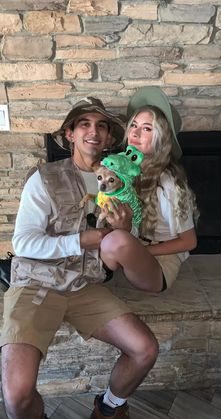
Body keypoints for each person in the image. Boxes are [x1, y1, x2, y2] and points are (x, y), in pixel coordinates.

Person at [0, 97, 164, 419]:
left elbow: (122, 244)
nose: (94, 131)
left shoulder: (121, 181)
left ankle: (108, 407)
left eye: (101, 126)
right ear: (70, 133)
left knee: (145, 349)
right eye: (85, 124)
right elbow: (23, 242)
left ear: (109, 138)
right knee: (16, 394)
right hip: (36, 282)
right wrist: (80, 241)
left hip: (85, 285)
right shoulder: (44, 178)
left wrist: (125, 228)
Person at [120, 86, 198, 291]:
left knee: (112, 243)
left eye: (147, 128)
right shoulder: (125, 171)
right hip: (137, 248)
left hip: (162, 264)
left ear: (161, 138)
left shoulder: (169, 183)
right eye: (133, 125)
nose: (135, 133)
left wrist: (141, 251)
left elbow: (189, 242)